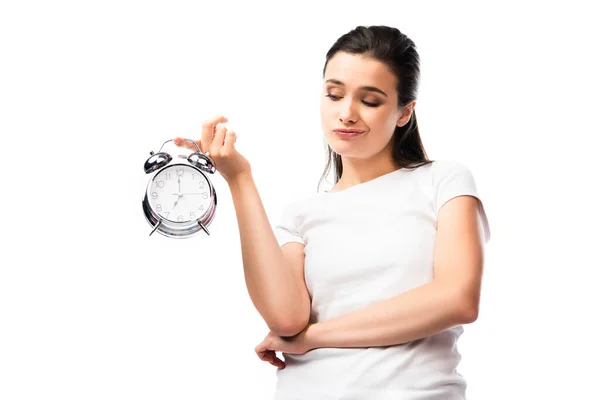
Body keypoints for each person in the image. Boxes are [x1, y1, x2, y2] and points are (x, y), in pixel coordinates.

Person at [175, 25, 491, 400]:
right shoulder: (302, 214)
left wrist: (312, 338)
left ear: (405, 111)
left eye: (370, 101)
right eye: (333, 94)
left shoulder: (443, 181)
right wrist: (240, 179)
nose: (346, 114)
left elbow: (457, 299)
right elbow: (286, 319)